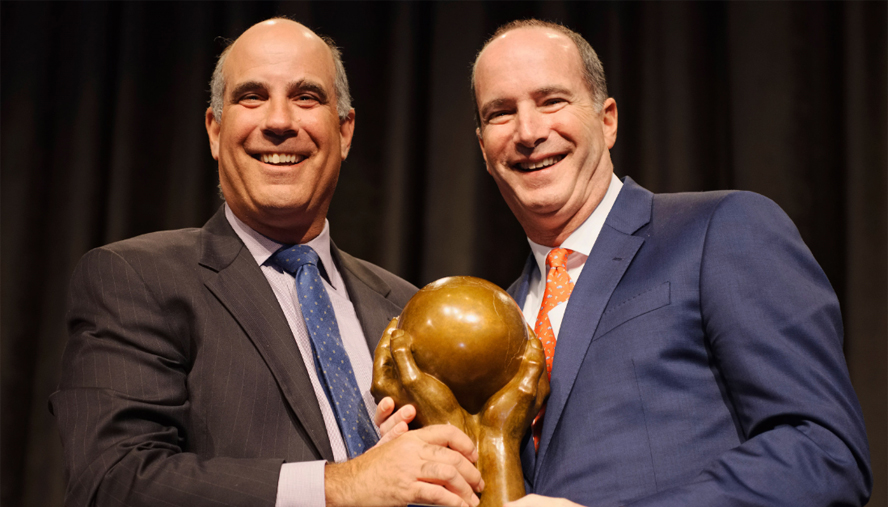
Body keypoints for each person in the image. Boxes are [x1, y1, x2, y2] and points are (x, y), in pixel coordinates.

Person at [50, 18, 483, 507]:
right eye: (252, 96)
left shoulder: (407, 306)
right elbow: (111, 480)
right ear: (215, 130)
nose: (279, 121)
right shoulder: (136, 280)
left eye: (307, 97)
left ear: (345, 131)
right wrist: (340, 485)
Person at [469, 19, 872, 507]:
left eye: (551, 100)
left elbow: (824, 452)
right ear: (484, 148)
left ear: (607, 119)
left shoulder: (721, 229)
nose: (529, 131)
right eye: (501, 113)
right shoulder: (499, 320)